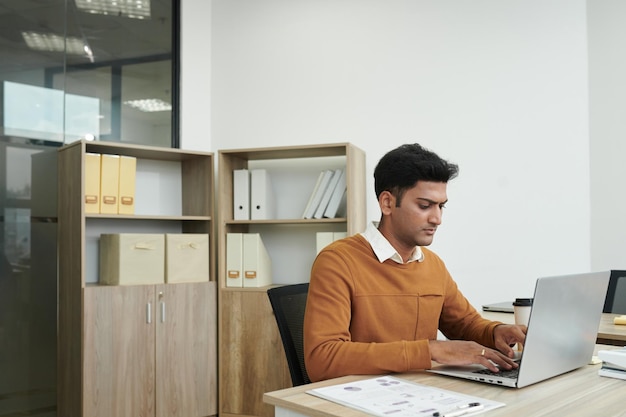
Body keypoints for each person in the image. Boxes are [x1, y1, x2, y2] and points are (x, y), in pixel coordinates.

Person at [303, 143, 526, 382]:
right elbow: (322, 359)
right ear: (387, 203)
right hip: (361, 398)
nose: (437, 218)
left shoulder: (432, 265)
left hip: (420, 392)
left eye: (441, 206)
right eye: (424, 205)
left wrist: (496, 332)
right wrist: (430, 350)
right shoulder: (338, 261)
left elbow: (465, 324)